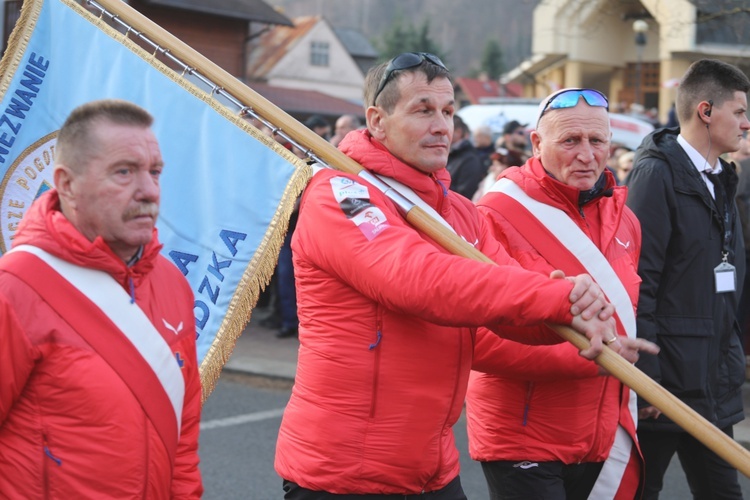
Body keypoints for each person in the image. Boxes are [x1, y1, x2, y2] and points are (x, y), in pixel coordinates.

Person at [274, 52, 654, 498]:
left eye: (448, 111)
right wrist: (557, 297)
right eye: (423, 110)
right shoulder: (342, 193)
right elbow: (415, 278)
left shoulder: (456, 211)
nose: (441, 125)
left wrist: (577, 321)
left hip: (430, 467)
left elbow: (506, 304)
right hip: (344, 472)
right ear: (376, 121)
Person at [0, 99, 203, 497]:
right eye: (123, 172)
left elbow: (183, 435)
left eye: (155, 172)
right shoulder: (15, 289)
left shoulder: (171, 283)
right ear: (67, 184)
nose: (149, 191)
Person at [467, 88, 647, 499]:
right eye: (570, 141)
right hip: (522, 435)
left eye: (597, 141)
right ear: (536, 144)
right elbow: (477, 340)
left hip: (602, 434)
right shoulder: (493, 215)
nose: (587, 155)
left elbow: (629, 313)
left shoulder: (626, 219)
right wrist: (593, 360)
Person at [626, 58, 750, 499]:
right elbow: (639, 281)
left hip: (713, 384)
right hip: (667, 387)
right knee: (642, 491)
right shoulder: (656, 173)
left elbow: (729, 280)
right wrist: (649, 382)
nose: (746, 123)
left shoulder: (723, 177)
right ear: (705, 111)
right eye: (739, 112)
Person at [446, 114, 487, 199]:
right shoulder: (447, 153)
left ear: (458, 132)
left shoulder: (470, 159)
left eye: (446, 128)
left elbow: (464, 194)